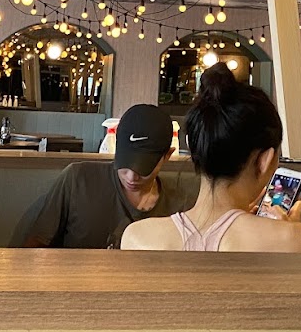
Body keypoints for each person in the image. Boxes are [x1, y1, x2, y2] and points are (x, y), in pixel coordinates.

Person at [121, 63, 301, 253]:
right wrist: (286, 231)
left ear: (193, 149)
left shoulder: (136, 238)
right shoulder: (292, 240)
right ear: (265, 160)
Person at [23, 103, 184, 248]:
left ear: (167, 155)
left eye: (144, 168)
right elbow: (35, 246)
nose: (131, 177)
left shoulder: (180, 206)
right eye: (126, 162)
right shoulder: (78, 180)